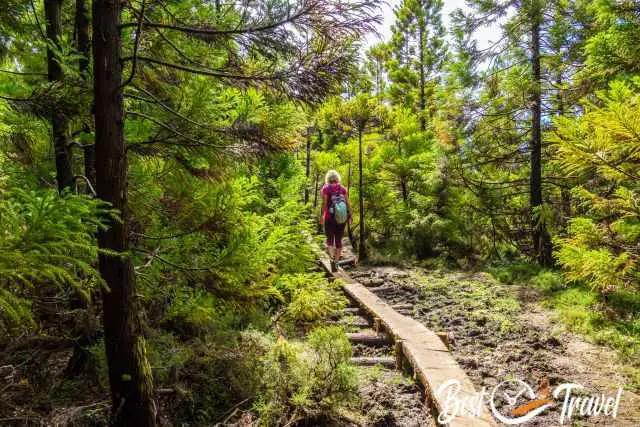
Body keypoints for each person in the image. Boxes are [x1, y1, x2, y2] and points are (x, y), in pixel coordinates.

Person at [320, 170, 352, 271]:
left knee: (330, 240)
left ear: (328, 178)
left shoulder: (326, 188)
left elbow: (325, 203)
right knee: (339, 240)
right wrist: (350, 216)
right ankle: (337, 263)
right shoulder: (342, 188)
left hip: (330, 218)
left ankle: (332, 259)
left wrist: (322, 215)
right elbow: (347, 203)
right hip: (341, 218)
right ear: (337, 178)